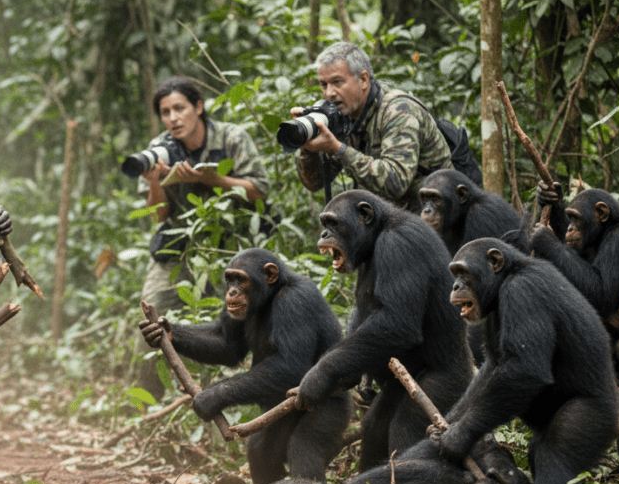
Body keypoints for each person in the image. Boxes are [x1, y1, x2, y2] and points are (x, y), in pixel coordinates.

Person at [133, 76, 269, 402]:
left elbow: (259, 190)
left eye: (179, 108)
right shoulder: (159, 148)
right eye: (165, 112)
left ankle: (230, 398)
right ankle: (142, 407)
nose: (173, 118)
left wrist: (215, 179)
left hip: (230, 247)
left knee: (231, 325)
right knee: (148, 320)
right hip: (177, 249)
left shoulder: (231, 137)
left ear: (199, 107)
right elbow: (157, 218)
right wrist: (155, 182)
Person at [295, 42, 452, 211]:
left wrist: (338, 149)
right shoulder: (343, 115)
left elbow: (395, 183)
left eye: (337, 82)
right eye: (324, 85)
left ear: (363, 80)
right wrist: (307, 146)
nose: (329, 93)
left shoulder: (399, 110)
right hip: (395, 219)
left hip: (437, 215)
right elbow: (315, 183)